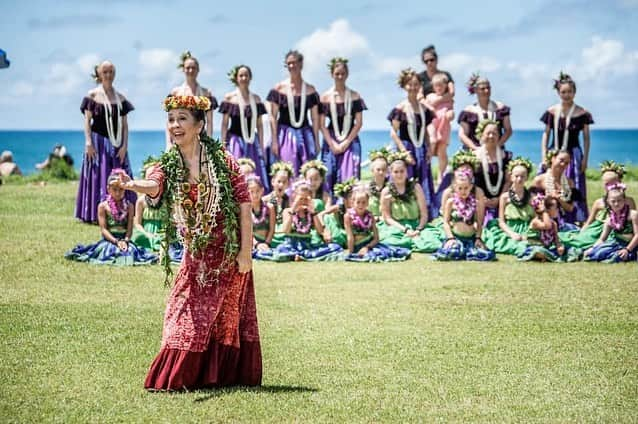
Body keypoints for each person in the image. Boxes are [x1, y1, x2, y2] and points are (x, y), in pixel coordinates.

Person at [119, 95, 261, 390]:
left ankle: (218, 376)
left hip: (228, 252)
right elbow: (156, 183)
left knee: (225, 317)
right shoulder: (169, 163)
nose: (175, 125)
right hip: (195, 253)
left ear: (200, 124)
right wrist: (135, 185)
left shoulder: (223, 161)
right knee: (181, 310)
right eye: (171, 119)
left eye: (182, 118)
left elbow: (244, 207)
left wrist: (245, 253)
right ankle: (177, 375)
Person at [77, 60, 136, 223]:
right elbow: (87, 122)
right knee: (97, 176)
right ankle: (94, 214)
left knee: (120, 176)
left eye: (111, 72)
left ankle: (124, 213)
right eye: (105, 72)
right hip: (98, 143)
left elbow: (124, 126)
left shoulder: (120, 98)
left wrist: (124, 146)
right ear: (99, 74)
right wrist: (88, 142)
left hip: (117, 144)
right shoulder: (92, 96)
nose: (108, 75)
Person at [65, 170, 157, 265]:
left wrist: (125, 241)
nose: (118, 193)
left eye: (121, 189)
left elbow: (130, 229)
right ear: (108, 189)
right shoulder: (103, 206)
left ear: (125, 189)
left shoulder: (129, 206)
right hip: (110, 240)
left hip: (125, 240)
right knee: (111, 252)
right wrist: (117, 242)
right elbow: (104, 230)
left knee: (130, 252)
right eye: (114, 189)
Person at [539, 72, 593, 223]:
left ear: (574, 92)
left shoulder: (582, 113)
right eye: (563, 92)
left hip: (573, 155)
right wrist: (544, 155)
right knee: (549, 183)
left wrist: (585, 159)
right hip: (554, 152)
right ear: (558, 92)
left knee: (573, 185)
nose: (567, 95)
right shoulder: (551, 112)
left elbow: (586, 138)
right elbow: (546, 134)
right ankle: (548, 215)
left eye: (569, 91)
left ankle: (577, 217)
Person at [389, 68, 437, 219]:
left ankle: (425, 215)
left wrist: (429, 149)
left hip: (421, 148)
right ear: (404, 86)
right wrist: (404, 153)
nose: (413, 87)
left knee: (423, 182)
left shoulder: (424, 108)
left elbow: (426, 131)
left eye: (416, 84)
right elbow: (393, 133)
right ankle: (405, 214)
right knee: (406, 180)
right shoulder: (400, 108)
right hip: (406, 148)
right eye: (410, 84)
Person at [255, 180, 342, 261]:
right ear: (294, 198)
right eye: (301, 199)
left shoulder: (311, 213)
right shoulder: (288, 211)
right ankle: (294, 255)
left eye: (306, 199)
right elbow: (286, 230)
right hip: (291, 246)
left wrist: (313, 212)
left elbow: (320, 231)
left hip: (307, 246)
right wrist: (293, 209)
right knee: (280, 250)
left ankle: (301, 255)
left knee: (335, 247)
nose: (303, 202)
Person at [267, 50, 320, 176]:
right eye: (289, 64)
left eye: (294, 63)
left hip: (305, 134)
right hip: (285, 134)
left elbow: (315, 118)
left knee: (307, 168)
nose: (292, 66)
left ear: (301, 64)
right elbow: (272, 117)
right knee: (287, 167)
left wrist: (317, 141)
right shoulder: (279, 89)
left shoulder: (310, 90)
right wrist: (274, 140)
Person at [561, 161, 636, 249]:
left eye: (612, 183)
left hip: (617, 231)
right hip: (597, 231)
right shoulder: (599, 202)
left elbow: (634, 223)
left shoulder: (628, 201)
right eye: (606, 184)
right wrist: (582, 232)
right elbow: (589, 221)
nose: (610, 186)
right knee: (579, 241)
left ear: (620, 182)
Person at [378, 152, 443, 252]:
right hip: (397, 227)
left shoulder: (416, 187)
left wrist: (418, 229)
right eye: (396, 172)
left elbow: (424, 213)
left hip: (416, 225)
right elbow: (387, 218)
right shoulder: (386, 191)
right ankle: (408, 241)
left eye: (402, 171)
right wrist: (405, 230)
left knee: (432, 244)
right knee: (389, 242)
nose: (399, 175)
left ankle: (415, 240)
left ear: (406, 172)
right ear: (391, 173)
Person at [319, 57, 367, 190]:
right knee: (329, 174)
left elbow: (359, 123)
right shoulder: (325, 97)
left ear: (347, 74)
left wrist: (346, 142)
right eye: (337, 74)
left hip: (350, 138)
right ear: (331, 75)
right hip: (331, 139)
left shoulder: (355, 96)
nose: (340, 77)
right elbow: (321, 125)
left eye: (342, 74)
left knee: (350, 175)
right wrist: (332, 144)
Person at [220, 65, 270, 192]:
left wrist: (262, 146)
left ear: (250, 77)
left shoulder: (256, 99)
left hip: (252, 141)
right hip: (235, 141)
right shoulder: (229, 98)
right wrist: (223, 145)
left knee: (254, 170)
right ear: (236, 78)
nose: (244, 78)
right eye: (241, 75)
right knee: (235, 170)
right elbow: (225, 124)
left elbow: (259, 125)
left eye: (246, 75)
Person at [432, 166, 495, 261]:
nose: (463, 191)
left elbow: (479, 223)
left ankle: (472, 247)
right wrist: (450, 238)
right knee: (453, 252)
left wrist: (478, 238)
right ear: (455, 187)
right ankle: (454, 246)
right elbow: (446, 222)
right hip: (456, 238)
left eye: (466, 188)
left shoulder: (475, 203)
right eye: (460, 188)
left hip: (471, 238)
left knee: (483, 254)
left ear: (471, 187)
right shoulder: (451, 202)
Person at [130, 163, 183, 263]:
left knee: (167, 242)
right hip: (146, 234)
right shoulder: (141, 201)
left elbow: (173, 221)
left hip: (163, 233)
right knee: (137, 237)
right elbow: (137, 223)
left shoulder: (168, 200)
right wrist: (146, 234)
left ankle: (162, 250)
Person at [344, 186, 411, 262]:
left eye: (363, 202)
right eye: (358, 202)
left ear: (368, 203)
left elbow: (376, 238)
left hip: (370, 245)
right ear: (352, 203)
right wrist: (351, 253)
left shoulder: (370, 215)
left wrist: (367, 247)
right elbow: (350, 237)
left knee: (382, 253)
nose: (361, 205)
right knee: (367, 255)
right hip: (356, 246)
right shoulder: (348, 216)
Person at [165, 51, 217, 150]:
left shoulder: (206, 93)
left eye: (193, 68)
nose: (190, 70)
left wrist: (209, 141)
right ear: (183, 70)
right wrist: (169, 142)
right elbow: (169, 120)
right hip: (181, 134)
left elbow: (209, 121)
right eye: (188, 68)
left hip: (200, 136)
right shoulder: (176, 92)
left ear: (198, 70)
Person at [482, 157, 534, 256]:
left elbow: (534, 219)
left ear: (527, 177)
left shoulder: (531, 197)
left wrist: (528, 233)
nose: (519, 179)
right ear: (511, 177)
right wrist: (512, 234)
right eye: (517, 176)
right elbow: (501, 221)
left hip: (527, 228)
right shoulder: (505, 197)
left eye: (523, 176)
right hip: (509, 228)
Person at [517, 192, 580, 262]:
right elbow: (547, 226)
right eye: (556, 208)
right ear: (547, 210)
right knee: (538, 251)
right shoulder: (536, 222)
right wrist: (544, 211)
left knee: (571, 249)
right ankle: (544, 256)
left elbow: (556, 240)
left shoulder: (554, 223)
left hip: (547, 248)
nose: (558, 210)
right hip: (534, 247)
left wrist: (559, 246)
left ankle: (548, 256)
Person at [585, 183, 638, 263]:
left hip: (632, 245)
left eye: (619, 201)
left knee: (617, 257)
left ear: (624, 200)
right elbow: (602, 239)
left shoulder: (633, 215)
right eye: (613, 201)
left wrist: (627, 249)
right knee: (595, 254)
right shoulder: (610, 219)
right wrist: (592, 248)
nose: (616, 204)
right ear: (608, 201)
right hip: (617, 244)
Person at [458, 73, 512, 150]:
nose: (486, 91)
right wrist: (475, 148)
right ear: (475, 90)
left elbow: (508, 130)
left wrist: (498, 145)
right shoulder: (468, 111)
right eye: (482, 89)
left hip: (496, 150)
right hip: (474, 151)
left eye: (488, 88)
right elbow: (462, 135)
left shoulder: (500, 108)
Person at [473, 119, 512, 223]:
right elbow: (470, 181)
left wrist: (499, 198)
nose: (491, 136)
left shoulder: (506, 156)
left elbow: (509, 181)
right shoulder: (473, 156)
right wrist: (482, 198)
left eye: (494, 133)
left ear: (499, 136)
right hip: (479, 201)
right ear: (481, 135)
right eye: (488, 133)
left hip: (501, 201)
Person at [532, 150, 581, 228]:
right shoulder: (539, 180)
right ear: (553, 158)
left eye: (566, 163)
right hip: (545, 220)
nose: (563, 164)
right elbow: (533, 205)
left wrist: (559, 199)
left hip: (566, 220)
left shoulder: (570, 182)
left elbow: (570, 208)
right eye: (561, 160)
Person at [424, 72, 454, 186]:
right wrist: (431, 107)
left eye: (441, 85)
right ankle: (427, 167)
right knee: (432, 140)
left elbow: (451, 110)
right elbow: (425, 106)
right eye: (436, 85)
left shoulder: (448, 99)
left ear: (445, 86)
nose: (439, 88)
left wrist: (450, 114)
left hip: (443, 125)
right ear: (433, 86)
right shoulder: (430, 96)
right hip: (433, 123)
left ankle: (441, 176)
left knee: (442, 151)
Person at [317, 177, 357, 247]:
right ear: (345, 199)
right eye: (351, 197)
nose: (354, 199)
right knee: (327, 217)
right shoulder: (339, 207)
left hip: (353, 234)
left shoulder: (359, 208)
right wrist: (325, 229)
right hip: (340, 234)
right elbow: (320, 214)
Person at [247, 175, 276, 255]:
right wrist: (256, 244)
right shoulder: (246, 209)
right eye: (251, 192)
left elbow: (272, 229)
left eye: (257, 191)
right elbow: (247, 231)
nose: (255, 195)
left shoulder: (270, 207)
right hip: (252, 243)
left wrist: (266, 243)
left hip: (266, 243)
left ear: (262, 190)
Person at [367, 148, 390, 219]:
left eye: (383, 170)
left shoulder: (391, 188)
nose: (381, 172)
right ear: (372, 170)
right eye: (378, 169)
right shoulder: (366, 188)